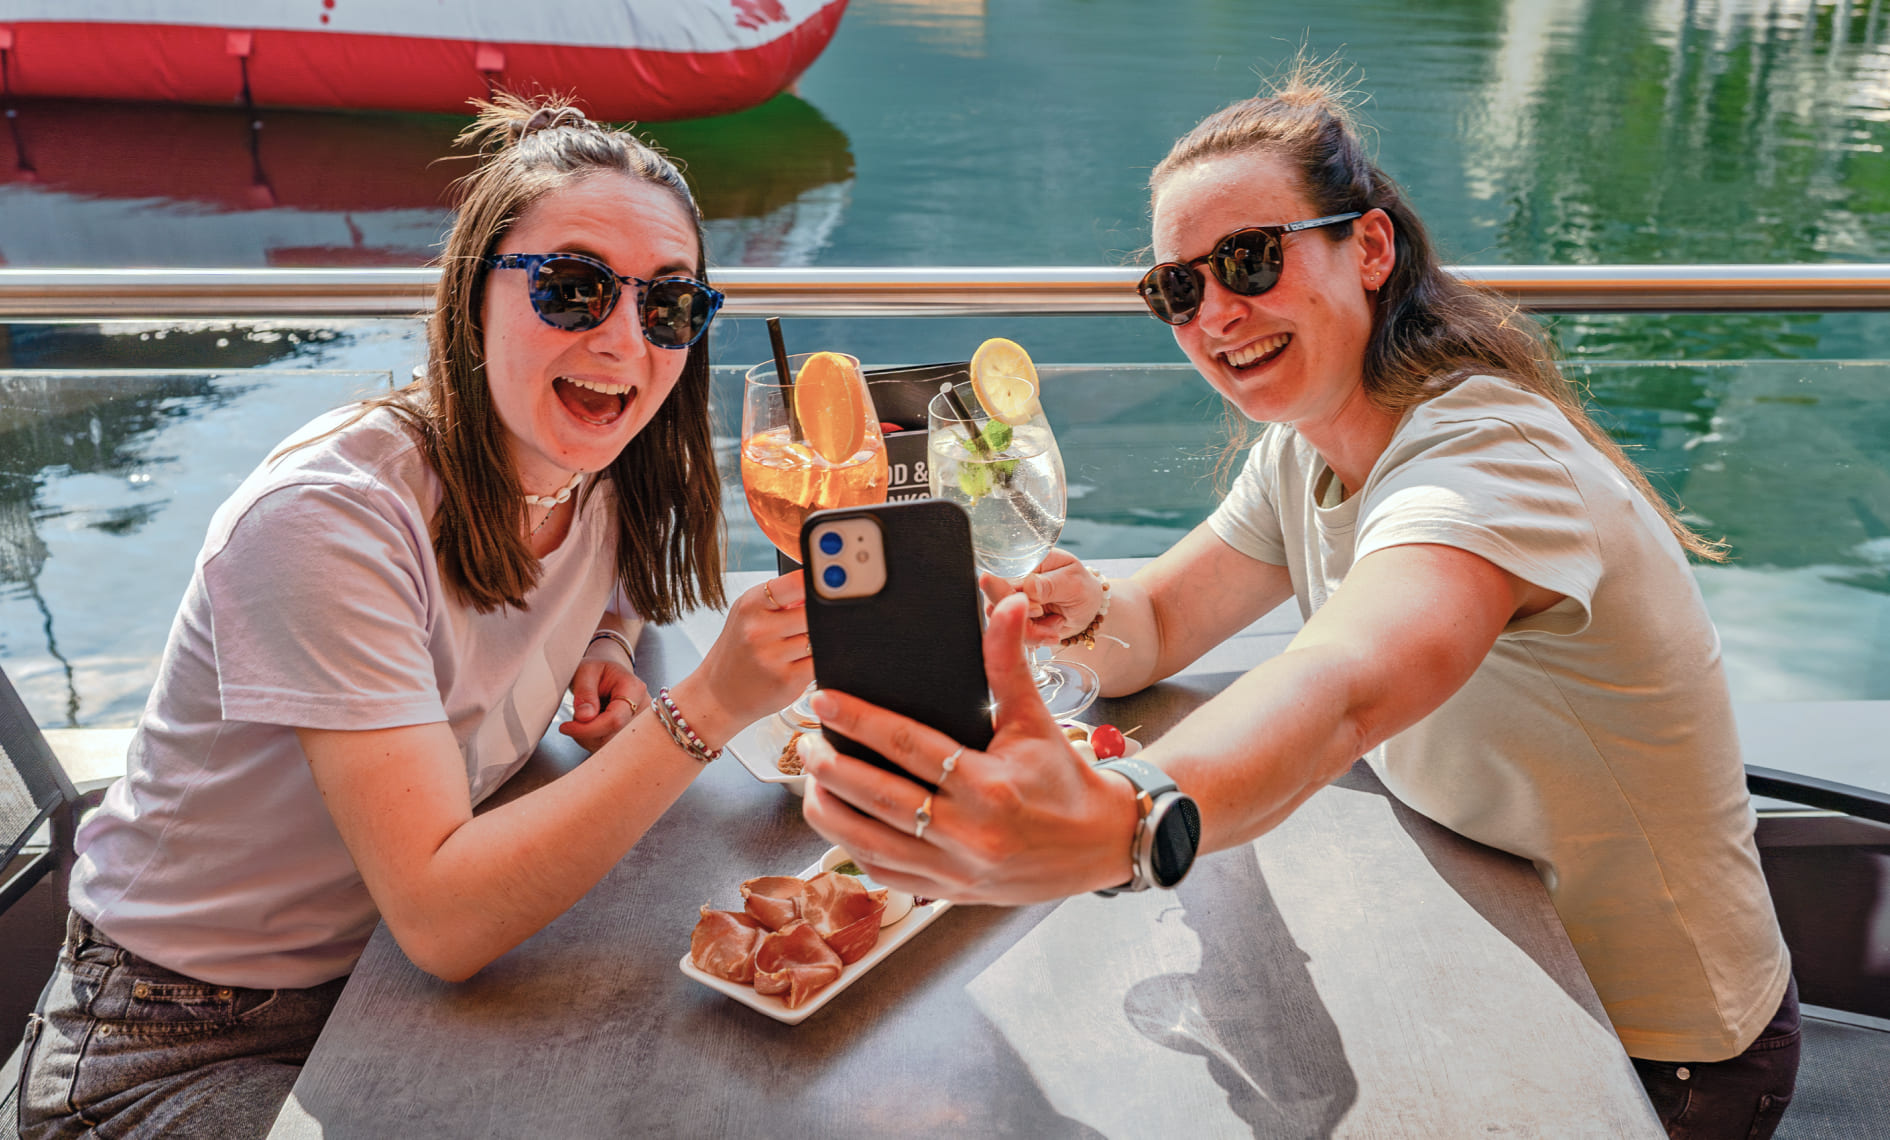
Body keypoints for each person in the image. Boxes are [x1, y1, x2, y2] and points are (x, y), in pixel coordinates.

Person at [798, 66, 1798, 1140]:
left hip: (1658, 1055)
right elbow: (1165, 622)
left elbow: (1349, 685)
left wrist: (1126, 818)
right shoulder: (1304, 451)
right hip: (1492, 953)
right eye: (1178, 288)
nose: (1218, 312)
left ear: (1369, 249)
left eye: (1250, 259)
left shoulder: (1485, 453)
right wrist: (1072, 616)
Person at [15, 94, 810, 1139]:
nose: (625, 339)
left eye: (667, 306)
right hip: (173, 1043)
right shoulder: (330, 522)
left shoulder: (586, 468)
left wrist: (608, 640)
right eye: (573, 290)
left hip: (391, 989)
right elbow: (442, 917)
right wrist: (706, 706)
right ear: (473, 288)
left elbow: (608, 580)